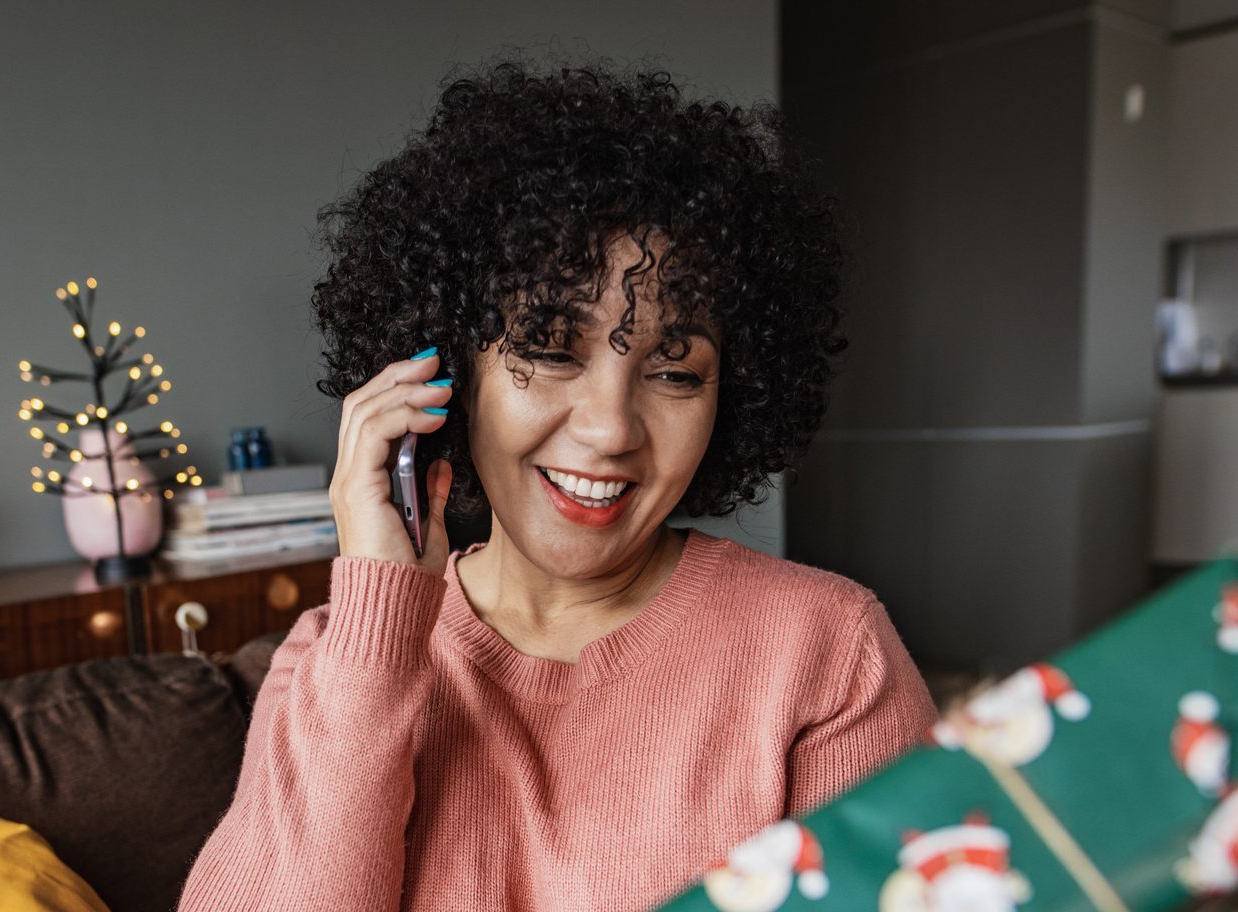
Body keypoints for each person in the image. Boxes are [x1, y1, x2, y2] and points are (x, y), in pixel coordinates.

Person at [177, 51, 938, 912]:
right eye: (547, 349)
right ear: (447, 373)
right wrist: (379, 640)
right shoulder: (334, 664)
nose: (610, 429)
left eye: (676, 371)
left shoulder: (829, 654)